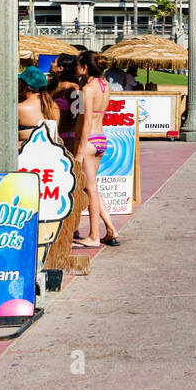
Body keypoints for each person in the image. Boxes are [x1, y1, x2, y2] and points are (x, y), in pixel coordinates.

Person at [72, 50, 121, 248]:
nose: (75, 67)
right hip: (101, 138)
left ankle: (94, 236)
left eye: (77, 63)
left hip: (89, 141)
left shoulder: (87, 89)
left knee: (90, 189)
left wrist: (79, 152)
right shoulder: (104, 85)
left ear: (84, 66)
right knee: (93, 187)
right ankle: (110, 229)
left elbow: (85, 123)